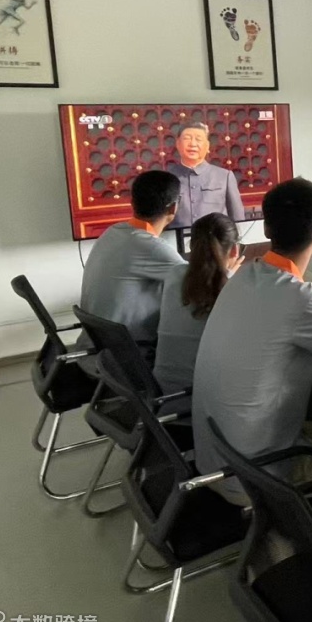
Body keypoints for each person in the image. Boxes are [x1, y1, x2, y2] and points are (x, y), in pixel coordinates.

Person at [191, 178, 312, 505]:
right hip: (258, 478)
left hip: (213, 463)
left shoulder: (240, 278)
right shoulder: (300, 298)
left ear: (267, 228)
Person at [78, 170, 185, 365]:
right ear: (173, 207)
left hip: (97, 349)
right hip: (127, 356)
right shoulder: (150, 247)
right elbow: (204, 282)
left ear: (132, 202)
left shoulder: (113, 232)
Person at [152, 213, 243, 409]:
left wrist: (228, 275)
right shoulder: (235, 290)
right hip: (202, 402)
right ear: (235, 250)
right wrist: (230, 277)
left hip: (164, 394)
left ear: (191, 246)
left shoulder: (174, 274)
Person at [166, 121, 245, 228]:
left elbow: (237, 218)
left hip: (215, 237)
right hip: (177, 237)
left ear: (207, 146)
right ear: (178, 144)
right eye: (187, 138)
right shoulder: (166, 178)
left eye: (198, 139)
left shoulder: (224, 176)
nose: (193, 144)